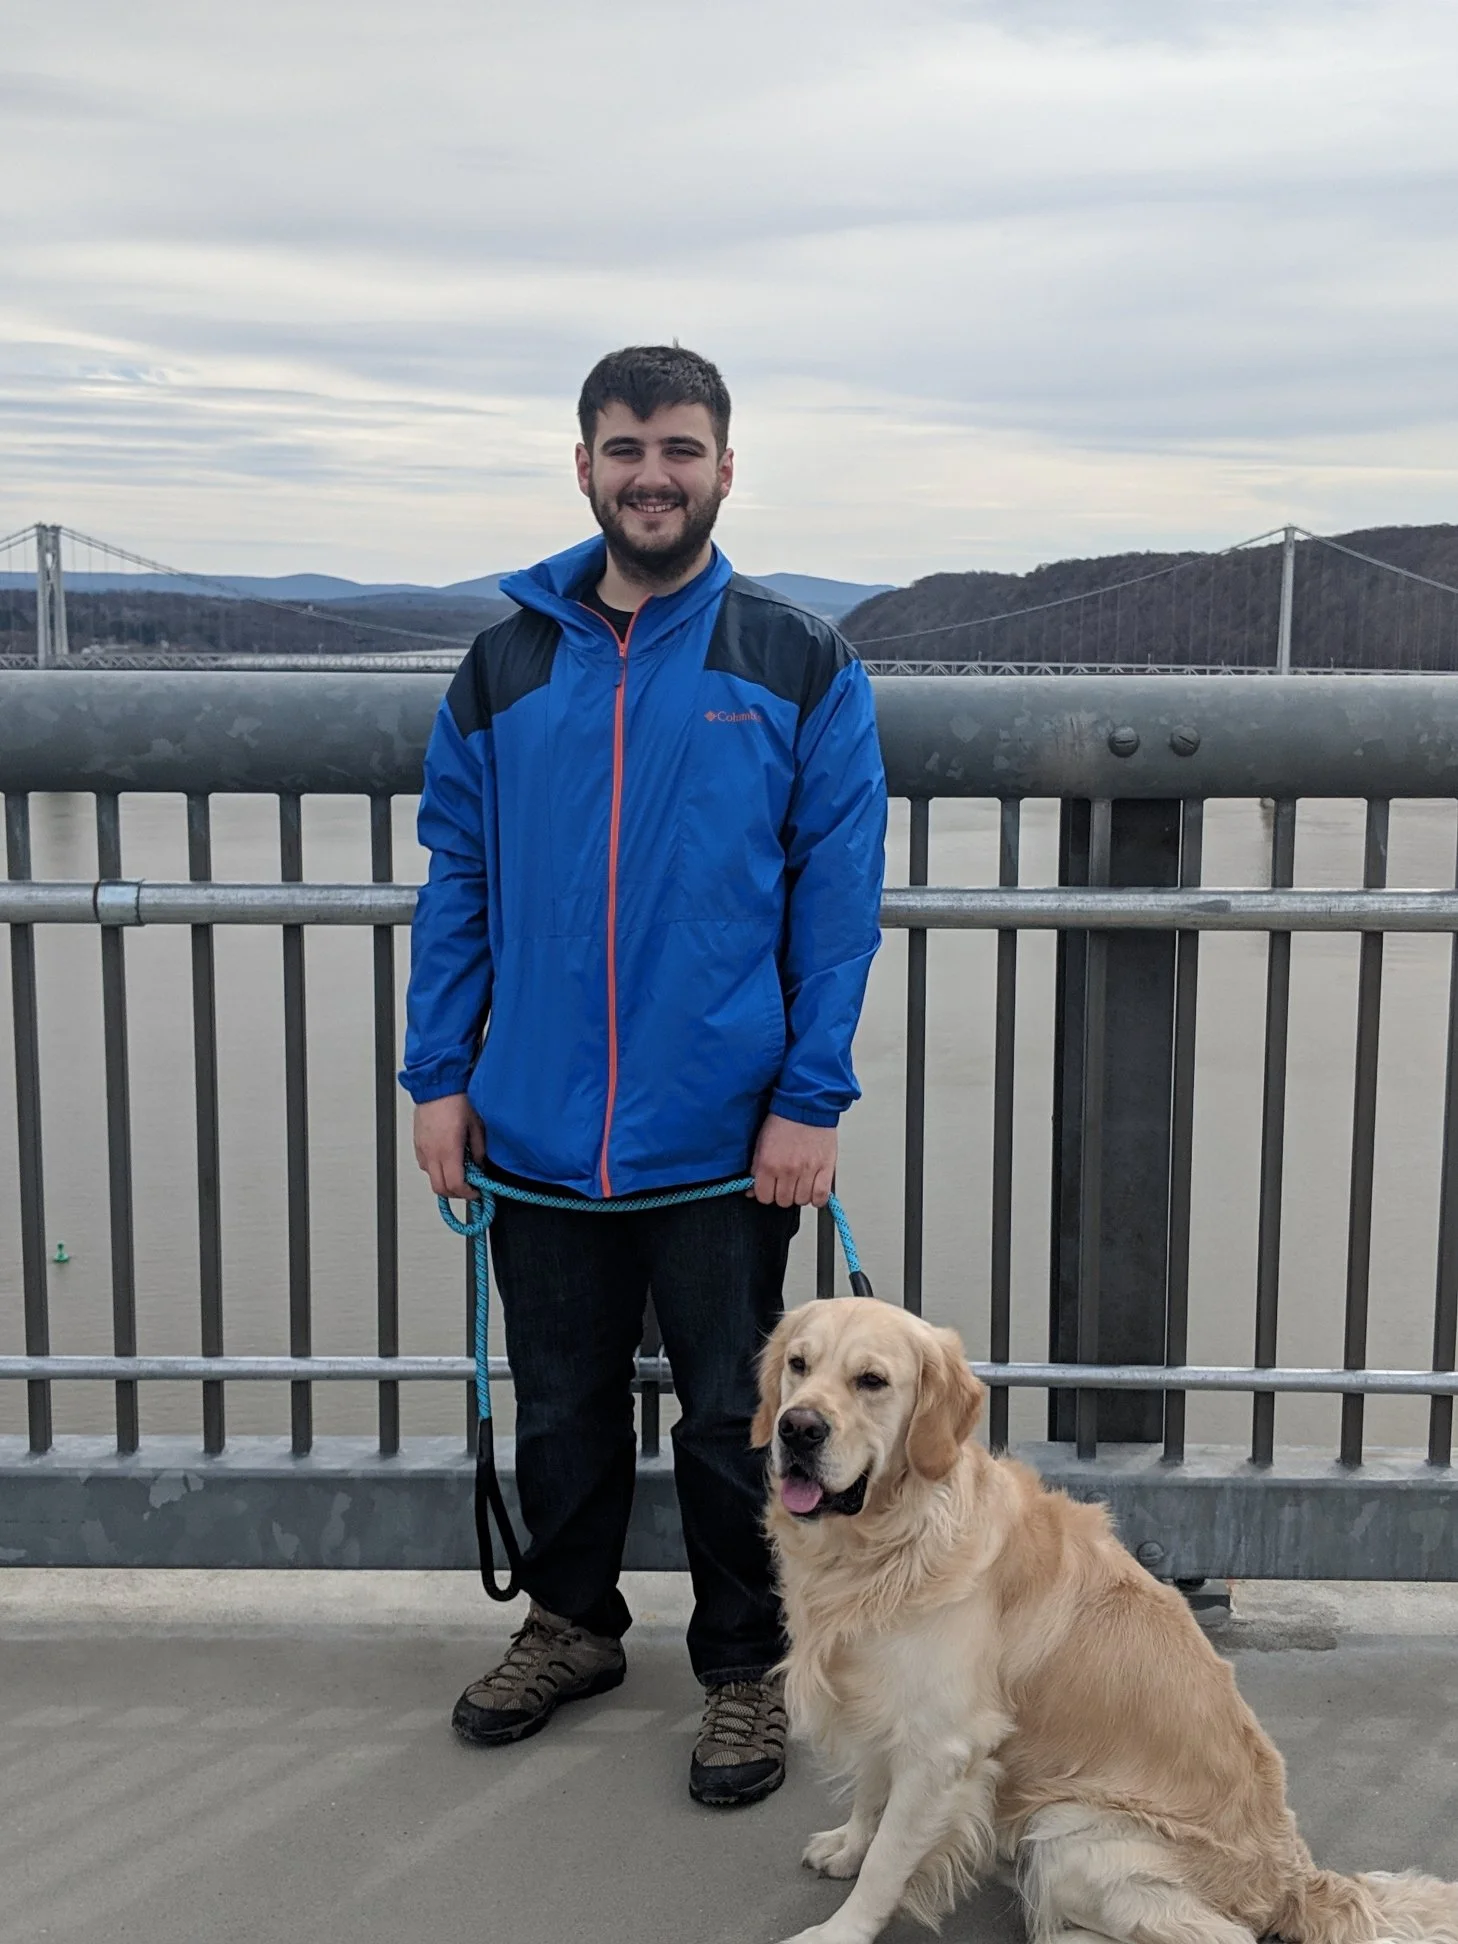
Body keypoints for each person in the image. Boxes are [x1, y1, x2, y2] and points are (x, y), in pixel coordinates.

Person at [401, 343, 886, 1807]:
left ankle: (747, 1669)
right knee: (558, 1405)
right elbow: (458, 884)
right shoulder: (504, 663)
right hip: (534, 1131)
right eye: (625, 449)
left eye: (680, 449)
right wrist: (438, 1078)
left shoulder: (799, 663)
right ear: (585, 468)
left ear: (724, 470)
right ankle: (572, 1626)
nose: (652, 476)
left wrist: (810, 1096)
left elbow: (835, 898)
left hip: (725, 1139)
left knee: (748, 1428)